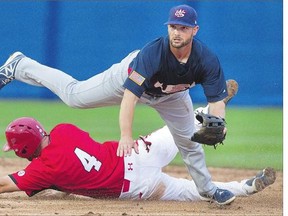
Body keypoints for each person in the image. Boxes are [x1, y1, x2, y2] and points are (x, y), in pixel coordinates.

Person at [0, 4, 239, 204]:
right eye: (173, 27)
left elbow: (217, 100)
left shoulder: (206, 60)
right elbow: (130, 97)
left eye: (183, 28)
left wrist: (220, 123)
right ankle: (20, 65)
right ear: (168, 28)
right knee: (75, 97)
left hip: (171, 96)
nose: (177, 32)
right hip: (125, 82)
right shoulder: (153, 54)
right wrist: (126, 134)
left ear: (194, 30)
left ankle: (208, 190)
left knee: (189, 142)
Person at [0, 117, 276, 202]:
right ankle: (210, 110)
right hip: (136, 152)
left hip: (134, 186)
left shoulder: (42, 170)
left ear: (24, 149)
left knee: (194, 192)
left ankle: (244, 187)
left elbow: (5, 184)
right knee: (181, 127)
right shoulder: (63, 130)